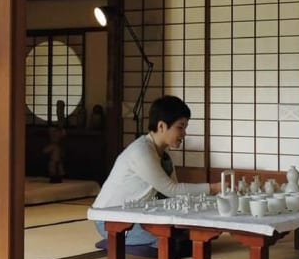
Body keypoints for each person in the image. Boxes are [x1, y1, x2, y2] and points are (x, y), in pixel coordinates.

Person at [92, 95, 218, 250]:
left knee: (193, 235)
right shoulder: (141, 151)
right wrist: (214, 188)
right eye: (180, 127)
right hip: (111, 218)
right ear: (161, 126)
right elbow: (172, 190)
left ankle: (132, 244)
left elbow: (175, 196)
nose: (184, 133)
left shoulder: (163, 155)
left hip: (136, 215)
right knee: (174, 242)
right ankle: (115, 242)